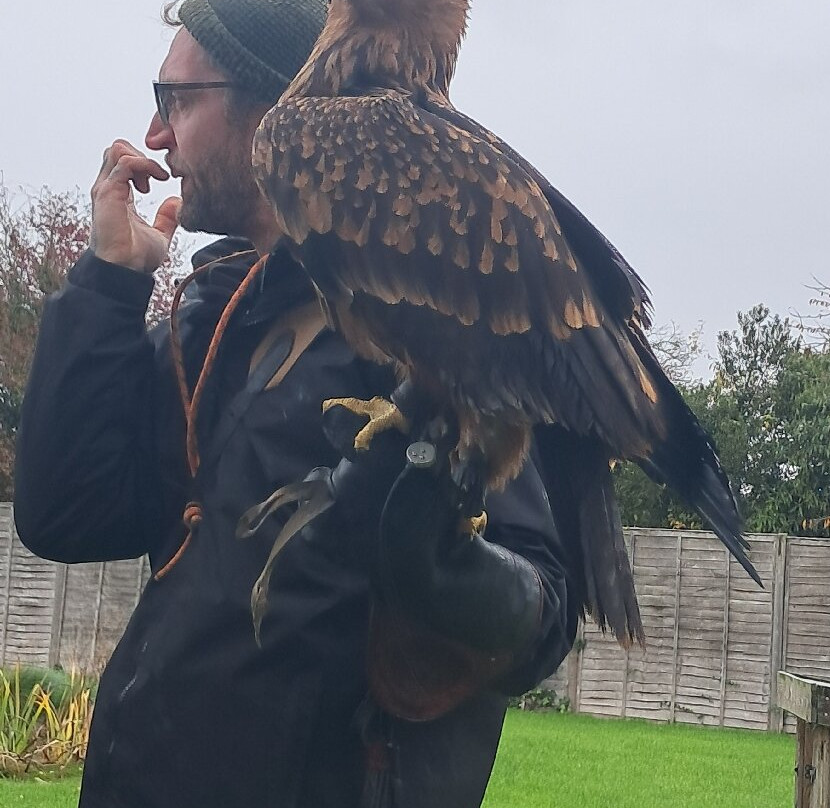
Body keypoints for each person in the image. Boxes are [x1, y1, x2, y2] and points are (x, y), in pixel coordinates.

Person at [14, 1, 577, 806]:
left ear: (273, 108)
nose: (156, 133)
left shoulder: (420, 315)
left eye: (177, 100)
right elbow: (65, 514)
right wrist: (110, 281)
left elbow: (543, 612)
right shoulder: (211, 314)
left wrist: (432, 559)